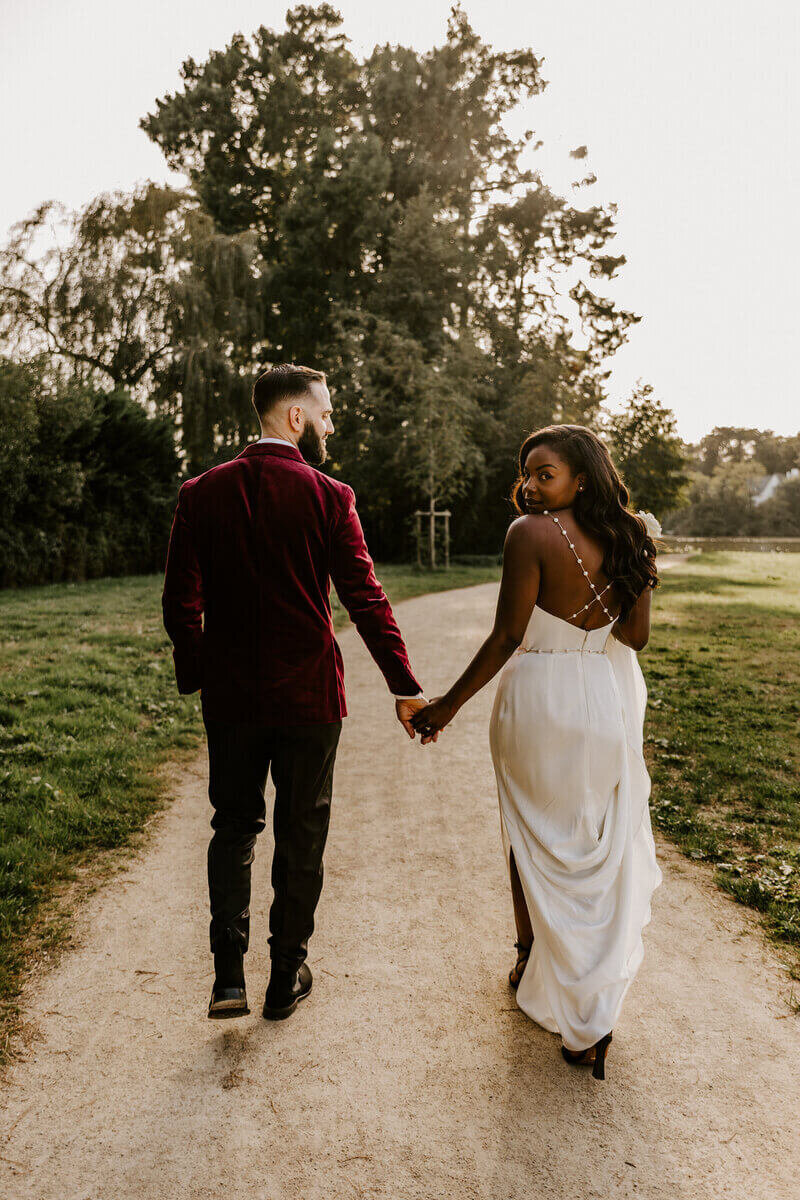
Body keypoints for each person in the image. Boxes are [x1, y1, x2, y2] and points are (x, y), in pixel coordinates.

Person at [162, 364, 429, 1021]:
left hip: (232, 699)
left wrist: (202, 671)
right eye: (326, 413)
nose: (331, 425)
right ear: (294, 417)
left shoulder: (201, 493)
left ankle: (229, 978)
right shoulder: (330, 495)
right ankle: (285, 975)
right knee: (302, 828)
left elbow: (179, 604)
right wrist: (405, 685)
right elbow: (366, 600)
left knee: (233, 826)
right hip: (311, 698)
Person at [411, 425, 662, 1080]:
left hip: (541, 704)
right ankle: (589, 1005)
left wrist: (445, 705)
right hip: (604, 704)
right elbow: (633, 638)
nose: (529, 484)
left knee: (532, 841)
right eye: (526, 473)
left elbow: (505, 637)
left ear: (582, 477)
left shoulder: (527, 536)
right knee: (590, 849)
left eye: (543, 472)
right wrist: (639, 573)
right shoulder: (632, 539)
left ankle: (538, 970)